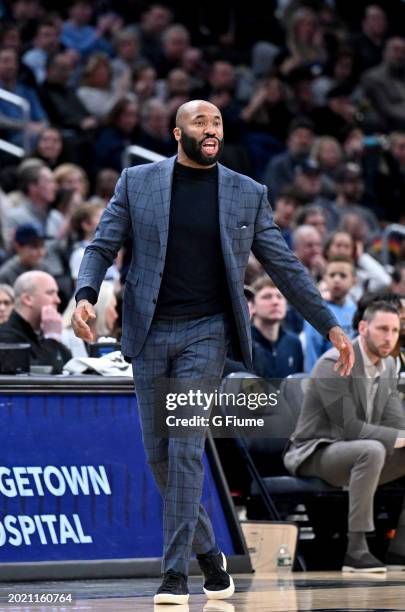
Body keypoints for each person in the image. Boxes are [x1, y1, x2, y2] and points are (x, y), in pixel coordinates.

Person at [70, 99, 354, 604]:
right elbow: (100, 245)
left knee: (184, 448)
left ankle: (173, 575)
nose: (211, 129)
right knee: (159, 456)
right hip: (149, 331)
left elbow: (286, 267)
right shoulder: (139, 183)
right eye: (200, 121)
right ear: (176, 133)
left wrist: (330, 325)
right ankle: (208, 554)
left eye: (217, 122)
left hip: (208, 332)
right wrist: (85, 296)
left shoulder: (247, 193)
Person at [284, 301, 405, 573]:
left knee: (376, 448)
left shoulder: (388, 367)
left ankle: (400, 551)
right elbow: (349, 428)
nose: (389, 337)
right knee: (372, 450)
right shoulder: (334, 362)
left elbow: (396, 422)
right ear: (362, 328)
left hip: (358, 451)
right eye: (382, 329)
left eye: (395, 330)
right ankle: (356, 551)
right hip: (315, 451)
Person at [0, 270, 71, 373]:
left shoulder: (40, 333)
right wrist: (52, 338)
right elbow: (38, 379)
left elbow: (69, 364)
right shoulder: (5, 337)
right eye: (50, 293)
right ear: (28, 299)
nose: (58, 300)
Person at [304, 256, 357, 372]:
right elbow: (311, 349)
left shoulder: (355, 309)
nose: (336, 279)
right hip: (325, 374)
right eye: (332, 275)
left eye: (343, 275)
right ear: (324, 278)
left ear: (354, 281)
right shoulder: (317, 310)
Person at [251, 275, 303, 378]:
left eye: (279, 296)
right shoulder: (243, 343)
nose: (275, 302)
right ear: (252, 306)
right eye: (267, 297)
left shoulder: (294, 342)